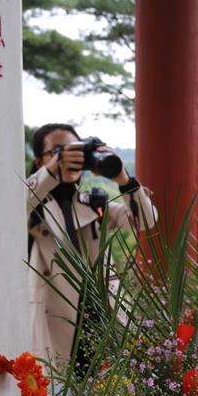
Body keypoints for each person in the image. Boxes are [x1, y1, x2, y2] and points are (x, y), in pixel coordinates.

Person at [26, 123, 156, 367]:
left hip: (102, 317)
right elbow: (15, 204)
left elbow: (146, 221)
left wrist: (123, 179)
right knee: (57, 392)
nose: (68, 157)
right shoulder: (31, 205)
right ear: (39, 163)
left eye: (76, 150)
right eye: (57, 151)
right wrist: (53, 171)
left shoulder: (93, 204)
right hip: (54, 318)